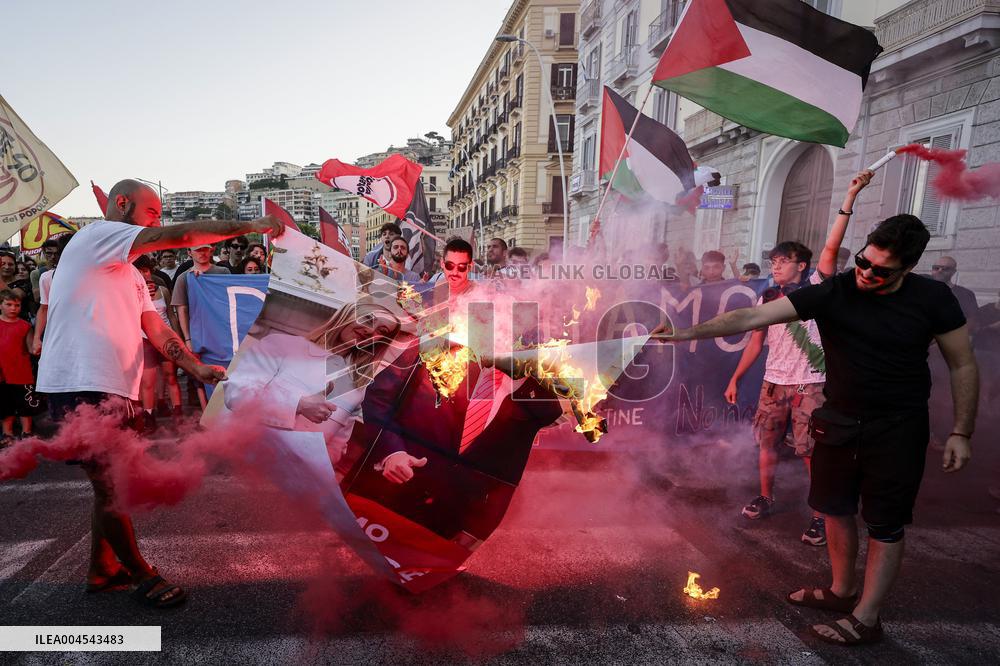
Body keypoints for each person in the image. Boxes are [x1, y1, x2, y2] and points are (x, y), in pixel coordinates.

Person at [652, 176, 978, 646]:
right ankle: (843, 590)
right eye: (864, 261)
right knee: (833, 508)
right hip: (839, 418)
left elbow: (963, 362)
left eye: (881, 271)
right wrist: (685, 334)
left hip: (898, 425)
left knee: (884, 522)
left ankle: (867, 616)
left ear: (908, 269)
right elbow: (751, 317)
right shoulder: (837, 290)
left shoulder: (933, 298)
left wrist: (961, 431)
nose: (866, 273)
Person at [36, 179, 284, 608]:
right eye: (151, 214)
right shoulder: (97, 235)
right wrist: (251, 226)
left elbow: (156, 328)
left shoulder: (129, 273)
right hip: (80, 383)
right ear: (122, 204)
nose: (157, 222)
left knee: (106, 485)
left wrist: (196, 367)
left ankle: (102, 570)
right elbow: (181, 237)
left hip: (114, 385)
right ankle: (142, 574)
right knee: (112, 484)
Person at [725, 242, 827, 545]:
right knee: (766, 443)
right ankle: (766, 498)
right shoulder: (768, 297)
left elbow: (830, 253)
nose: (776, 266)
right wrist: (736, 378)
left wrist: (846, 206)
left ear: (803, 266)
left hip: (810, 383)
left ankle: (821, 516)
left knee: (810, 451)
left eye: (784, 261)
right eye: (773, 262)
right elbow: (756, 342)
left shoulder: (819, 290)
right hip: (773, 383)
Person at [224, 300, 404, 466]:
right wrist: (298, 405)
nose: (371, 331)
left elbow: (337, 446)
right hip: (241, 460)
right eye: (367, 319)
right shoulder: (281, 345)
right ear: (348, 314)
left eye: (382, 331)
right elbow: (236, 394)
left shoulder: (358, 387)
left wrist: (315, 463)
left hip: (290, 483)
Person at [171, 243, 232, 410]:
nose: (202, 253)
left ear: (211, 250)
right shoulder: (184, 278)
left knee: (230, 378)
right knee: (207, 381)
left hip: (225, 335)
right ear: (189, 252)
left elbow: (233, 300)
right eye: (198, 249)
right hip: (201, 338)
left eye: (205, 249)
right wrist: (188, 339)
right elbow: (181, 310)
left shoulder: (223, 272)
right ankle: (213, 419)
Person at [134, 256, 183, 431]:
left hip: (165, 338)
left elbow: (171, 315)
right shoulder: (131, 292)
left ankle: (178, 415)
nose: (143, 274)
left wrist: (178, 337)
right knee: (148, 381)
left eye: (145, 270)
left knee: (171, 376)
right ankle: (149, 416)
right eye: (139, 271)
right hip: (145, 340)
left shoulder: (163, 289)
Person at [0, 289, 39, 442]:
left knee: (25, 406)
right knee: (5, 407)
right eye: (8, 304)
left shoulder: (25, 326)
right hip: (2, 374)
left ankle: (27, 432)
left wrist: (37, 347)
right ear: (0, 305)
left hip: (22, 373)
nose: (13, 308)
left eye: (17, 305)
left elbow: (31, 348)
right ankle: (7, 434)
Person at [32, 234, 73, 356]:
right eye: (49, 253)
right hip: (58, 334)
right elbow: (44, 307)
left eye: (56, 253)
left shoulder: (92, 274)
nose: (53, 257)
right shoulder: (45, 277)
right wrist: (37, 337)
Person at [928, 256, 979, 332]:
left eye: (945, 268)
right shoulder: (921, 289)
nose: (940, 270)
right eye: (936, 268)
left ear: (954, 272)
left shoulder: (965, 294)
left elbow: (971, 322)